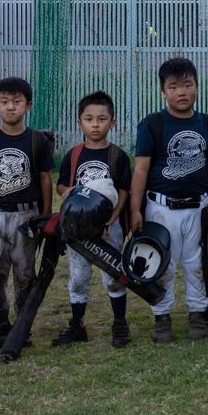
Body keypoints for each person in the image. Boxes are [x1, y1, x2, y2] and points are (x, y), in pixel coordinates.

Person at [129, 56, 208, 343]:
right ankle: (162, 316)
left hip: (197, 206)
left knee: (196, 263)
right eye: (173, 86)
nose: (182, 92)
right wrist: (135, 209)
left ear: (197, 87)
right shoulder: (153, 124)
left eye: (188, 85)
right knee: (162, 264)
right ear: (163, 91)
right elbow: (141, 169)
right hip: (161, 207)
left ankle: (197, 313)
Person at [0, 76, 55, 350]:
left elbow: (45, 179)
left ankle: (21, 325)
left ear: (28, 105)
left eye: (17, 102)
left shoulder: (37, 140)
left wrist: (46, 216)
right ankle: (2, 323)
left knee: (25, 274)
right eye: (4, 102)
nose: (10, 107)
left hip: (25, 217)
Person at [51, 91, 133, 349]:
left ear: (113, 122)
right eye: (89, 119)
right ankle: (77, 325)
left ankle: (119, 324)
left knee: (113, 274)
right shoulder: (74, 155)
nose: (95, 124)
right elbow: (61, 184)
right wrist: (69, 192)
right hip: (78, 228)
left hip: (109, 226)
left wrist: (115, 215)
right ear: (80, 123)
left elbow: (124, 189)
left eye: (102, 119)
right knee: (78, 277)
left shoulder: (118, 156)